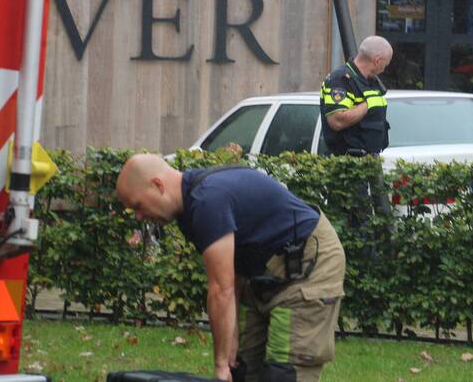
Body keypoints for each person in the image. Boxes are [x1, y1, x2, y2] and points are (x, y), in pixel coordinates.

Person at [115, 154, 346, 381]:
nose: (138, 216)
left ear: (158, 185)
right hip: (263, 274)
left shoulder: (208, 200)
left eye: (138, 205)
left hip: (308, 266)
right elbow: (231, 272)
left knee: (283, 373)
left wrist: (219, 365)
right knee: (241, 368)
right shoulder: (189, 207)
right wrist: (229, 343)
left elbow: (220, 289)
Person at [319, 36, 393, 157]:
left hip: (369, 160)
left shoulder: (370, 82)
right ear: (377, 60)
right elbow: (336, 121)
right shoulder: (340, 80)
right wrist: (368, 104)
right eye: (385, 64)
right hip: (345, 162)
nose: (384, 69)